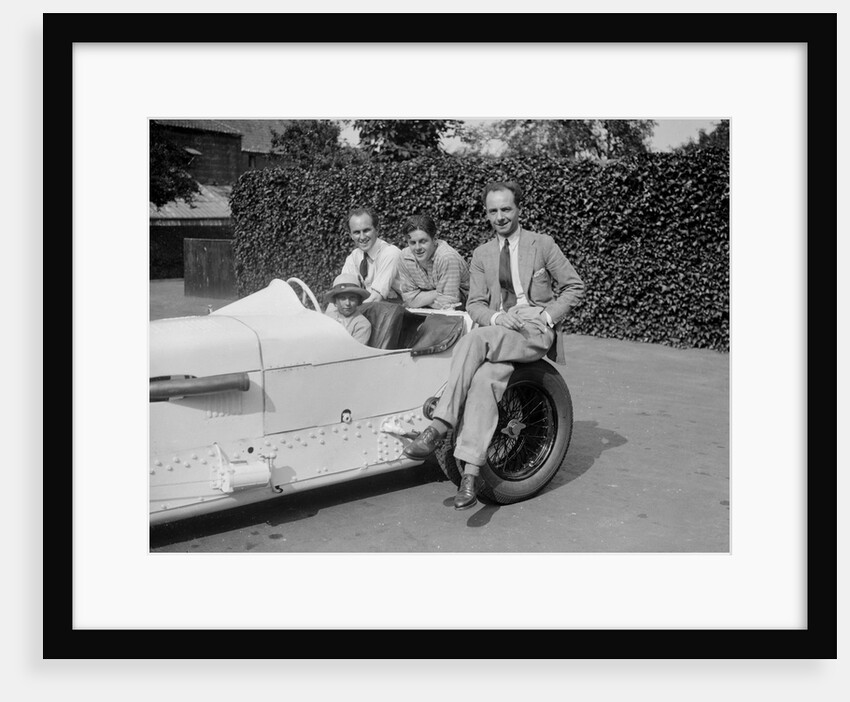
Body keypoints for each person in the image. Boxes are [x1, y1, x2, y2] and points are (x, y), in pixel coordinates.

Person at [403, 181, 585, 510]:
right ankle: (471, 475)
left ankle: (439, 425)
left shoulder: (542, 244)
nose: (500, 217)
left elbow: (574, 286)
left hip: (531, 329)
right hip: (500, 328)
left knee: (474, 339)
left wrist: (546, 316)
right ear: (486, 214)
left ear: (519, 209)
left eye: (506, 209)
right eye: (493, 211)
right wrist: (498, 317)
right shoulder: (482, 254)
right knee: (485, 380)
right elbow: (474, 304)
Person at [339, 206, 405, 348]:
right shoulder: (354, 257)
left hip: (402, 319)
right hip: (375, 315)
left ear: (377, 230)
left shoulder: (390, 253)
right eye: (357, 232)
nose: (362, 237)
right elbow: (341, 293)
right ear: (351, 235)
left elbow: (376, 298)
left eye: (366, 230)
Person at [397, 214, 470, 310]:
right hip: (426, 311)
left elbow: (449, 304)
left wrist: (419, 299)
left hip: (464, 310)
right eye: (413, 243)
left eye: (423, 241)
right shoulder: (405, 257)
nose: (417, 248)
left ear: (434, 239)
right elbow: (408, 300)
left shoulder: (447, 257)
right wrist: (438, 293)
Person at [324, 273, 372, 344]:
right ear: (335, 301)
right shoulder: (329, 317)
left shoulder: (362, 325)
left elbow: (354, 349)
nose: (347, 303)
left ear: (358, 300)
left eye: (352, 298)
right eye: (342, 298)